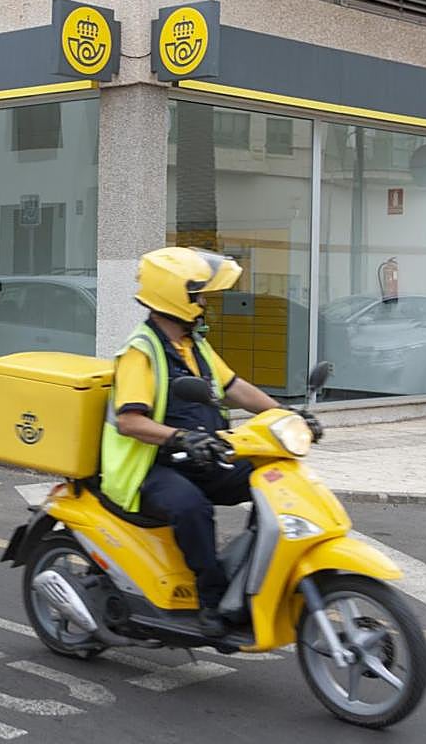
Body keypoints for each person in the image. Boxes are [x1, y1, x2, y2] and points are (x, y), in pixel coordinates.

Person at [100, 247, 281, 638]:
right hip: (148, 467)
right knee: (192, 507)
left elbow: (233, 387)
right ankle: (211, 599)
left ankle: (252, 574)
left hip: (194, 455)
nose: (204, 304)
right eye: (199, 296)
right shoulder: (140, 352)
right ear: (175, 296)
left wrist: (285, 415)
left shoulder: (193, 345)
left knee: (271, 476)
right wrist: (180, 436)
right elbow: (130, 421)